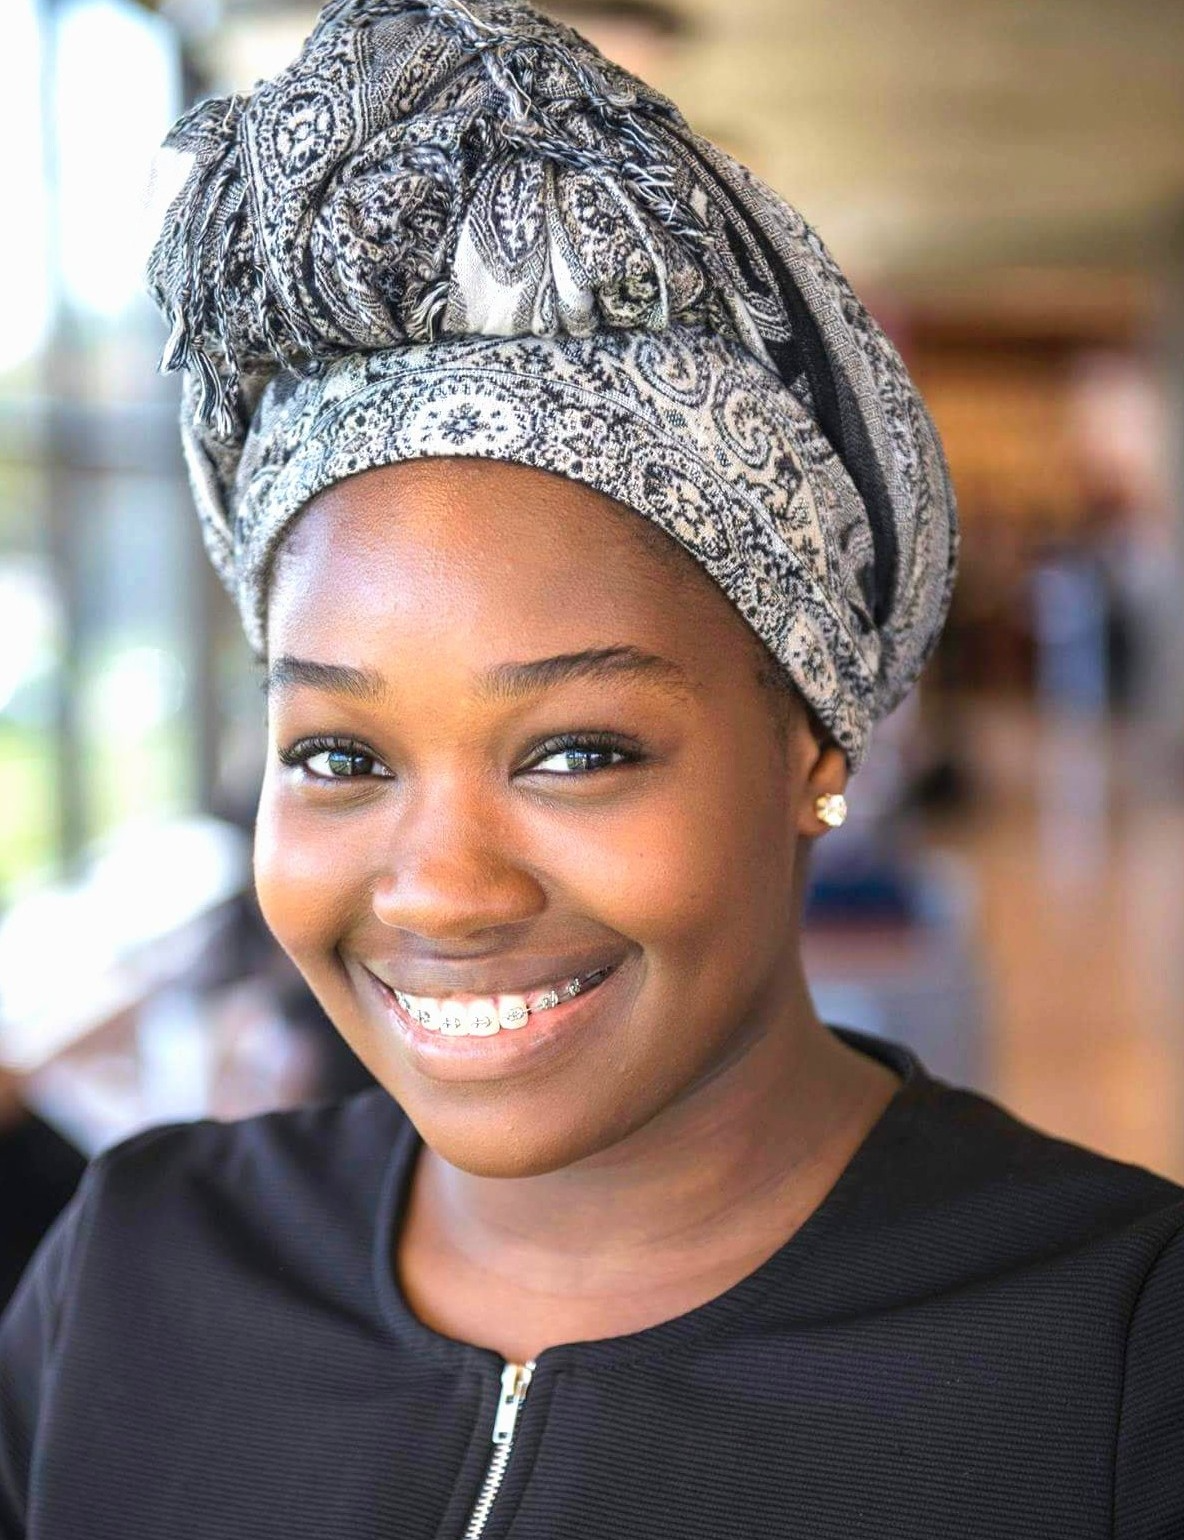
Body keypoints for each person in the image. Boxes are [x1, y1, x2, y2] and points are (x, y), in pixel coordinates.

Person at [1, 2, 1180, 1536]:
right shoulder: (137, 1272)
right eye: (341, 753)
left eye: (575, 751)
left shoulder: (1114, 1356)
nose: (443, 887)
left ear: (814, 741)